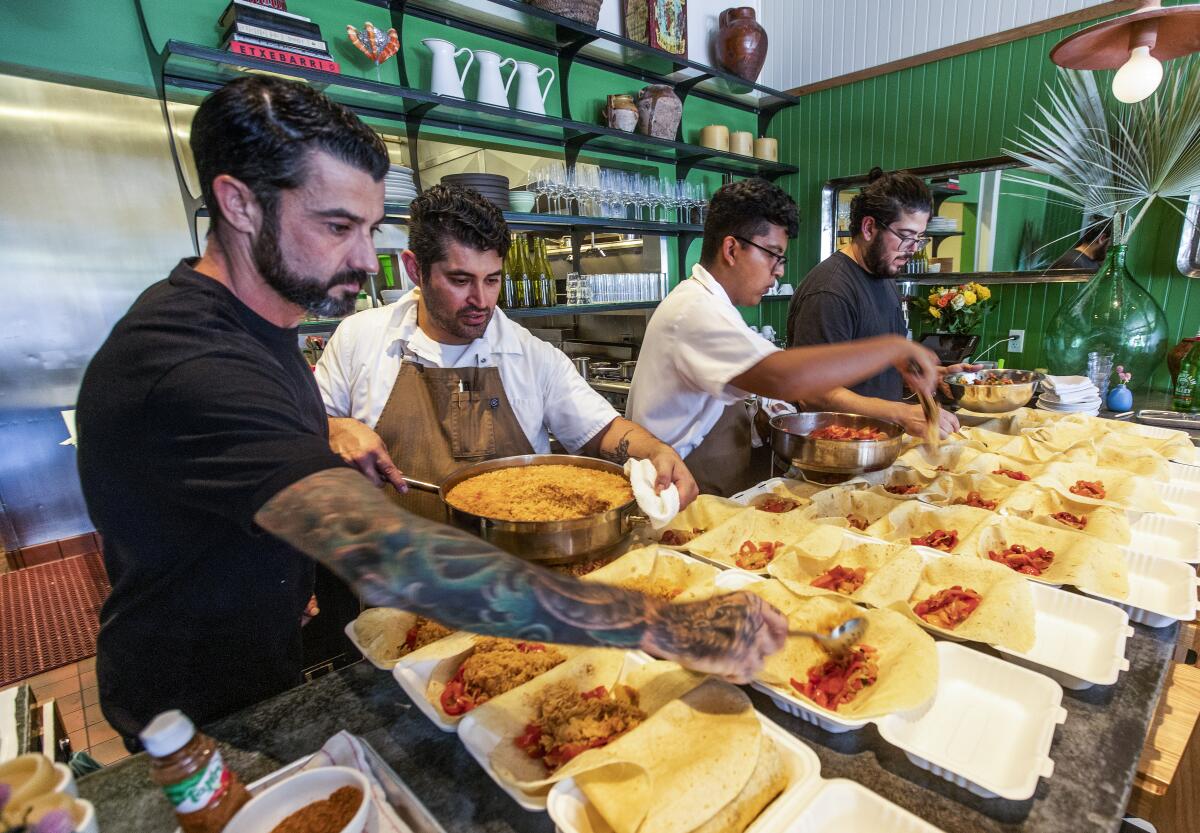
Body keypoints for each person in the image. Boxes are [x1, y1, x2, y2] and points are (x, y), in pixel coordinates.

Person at [74, 76, 785, 746]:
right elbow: (391, 555)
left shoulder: (258, 333)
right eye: (336, 226)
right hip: (189, 713)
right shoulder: (188, 359)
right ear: (238, 203)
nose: (362, 262)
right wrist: (657, 622)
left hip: (263, 668)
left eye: (369, 229)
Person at [314, 184, 698, 520]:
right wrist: (335, 428)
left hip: (516, 573)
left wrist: (654, 451)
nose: (481, 300)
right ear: (415, 269)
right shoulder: (358, 339)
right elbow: (298, 431)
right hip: (396, 580)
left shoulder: (530, 355)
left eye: (492, 279)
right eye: (460, 280)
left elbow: (603, 430)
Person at [626, 178, 942, 497]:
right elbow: (782, 376)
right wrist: (890, 350)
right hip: (671, 489)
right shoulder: (695, 309)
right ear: (732, 249)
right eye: (773, 255)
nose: (779, 271)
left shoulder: (709, 304)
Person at [785, 168, 964, 438]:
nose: (913, 248)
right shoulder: (830, 291)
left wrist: (935, 374)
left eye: (919, 238)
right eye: (905, 235)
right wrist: (901, 413)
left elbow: (879, 363)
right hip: (837, 456)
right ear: (869, 228)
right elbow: (814, 395)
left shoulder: (883, 275)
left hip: (878, 447)